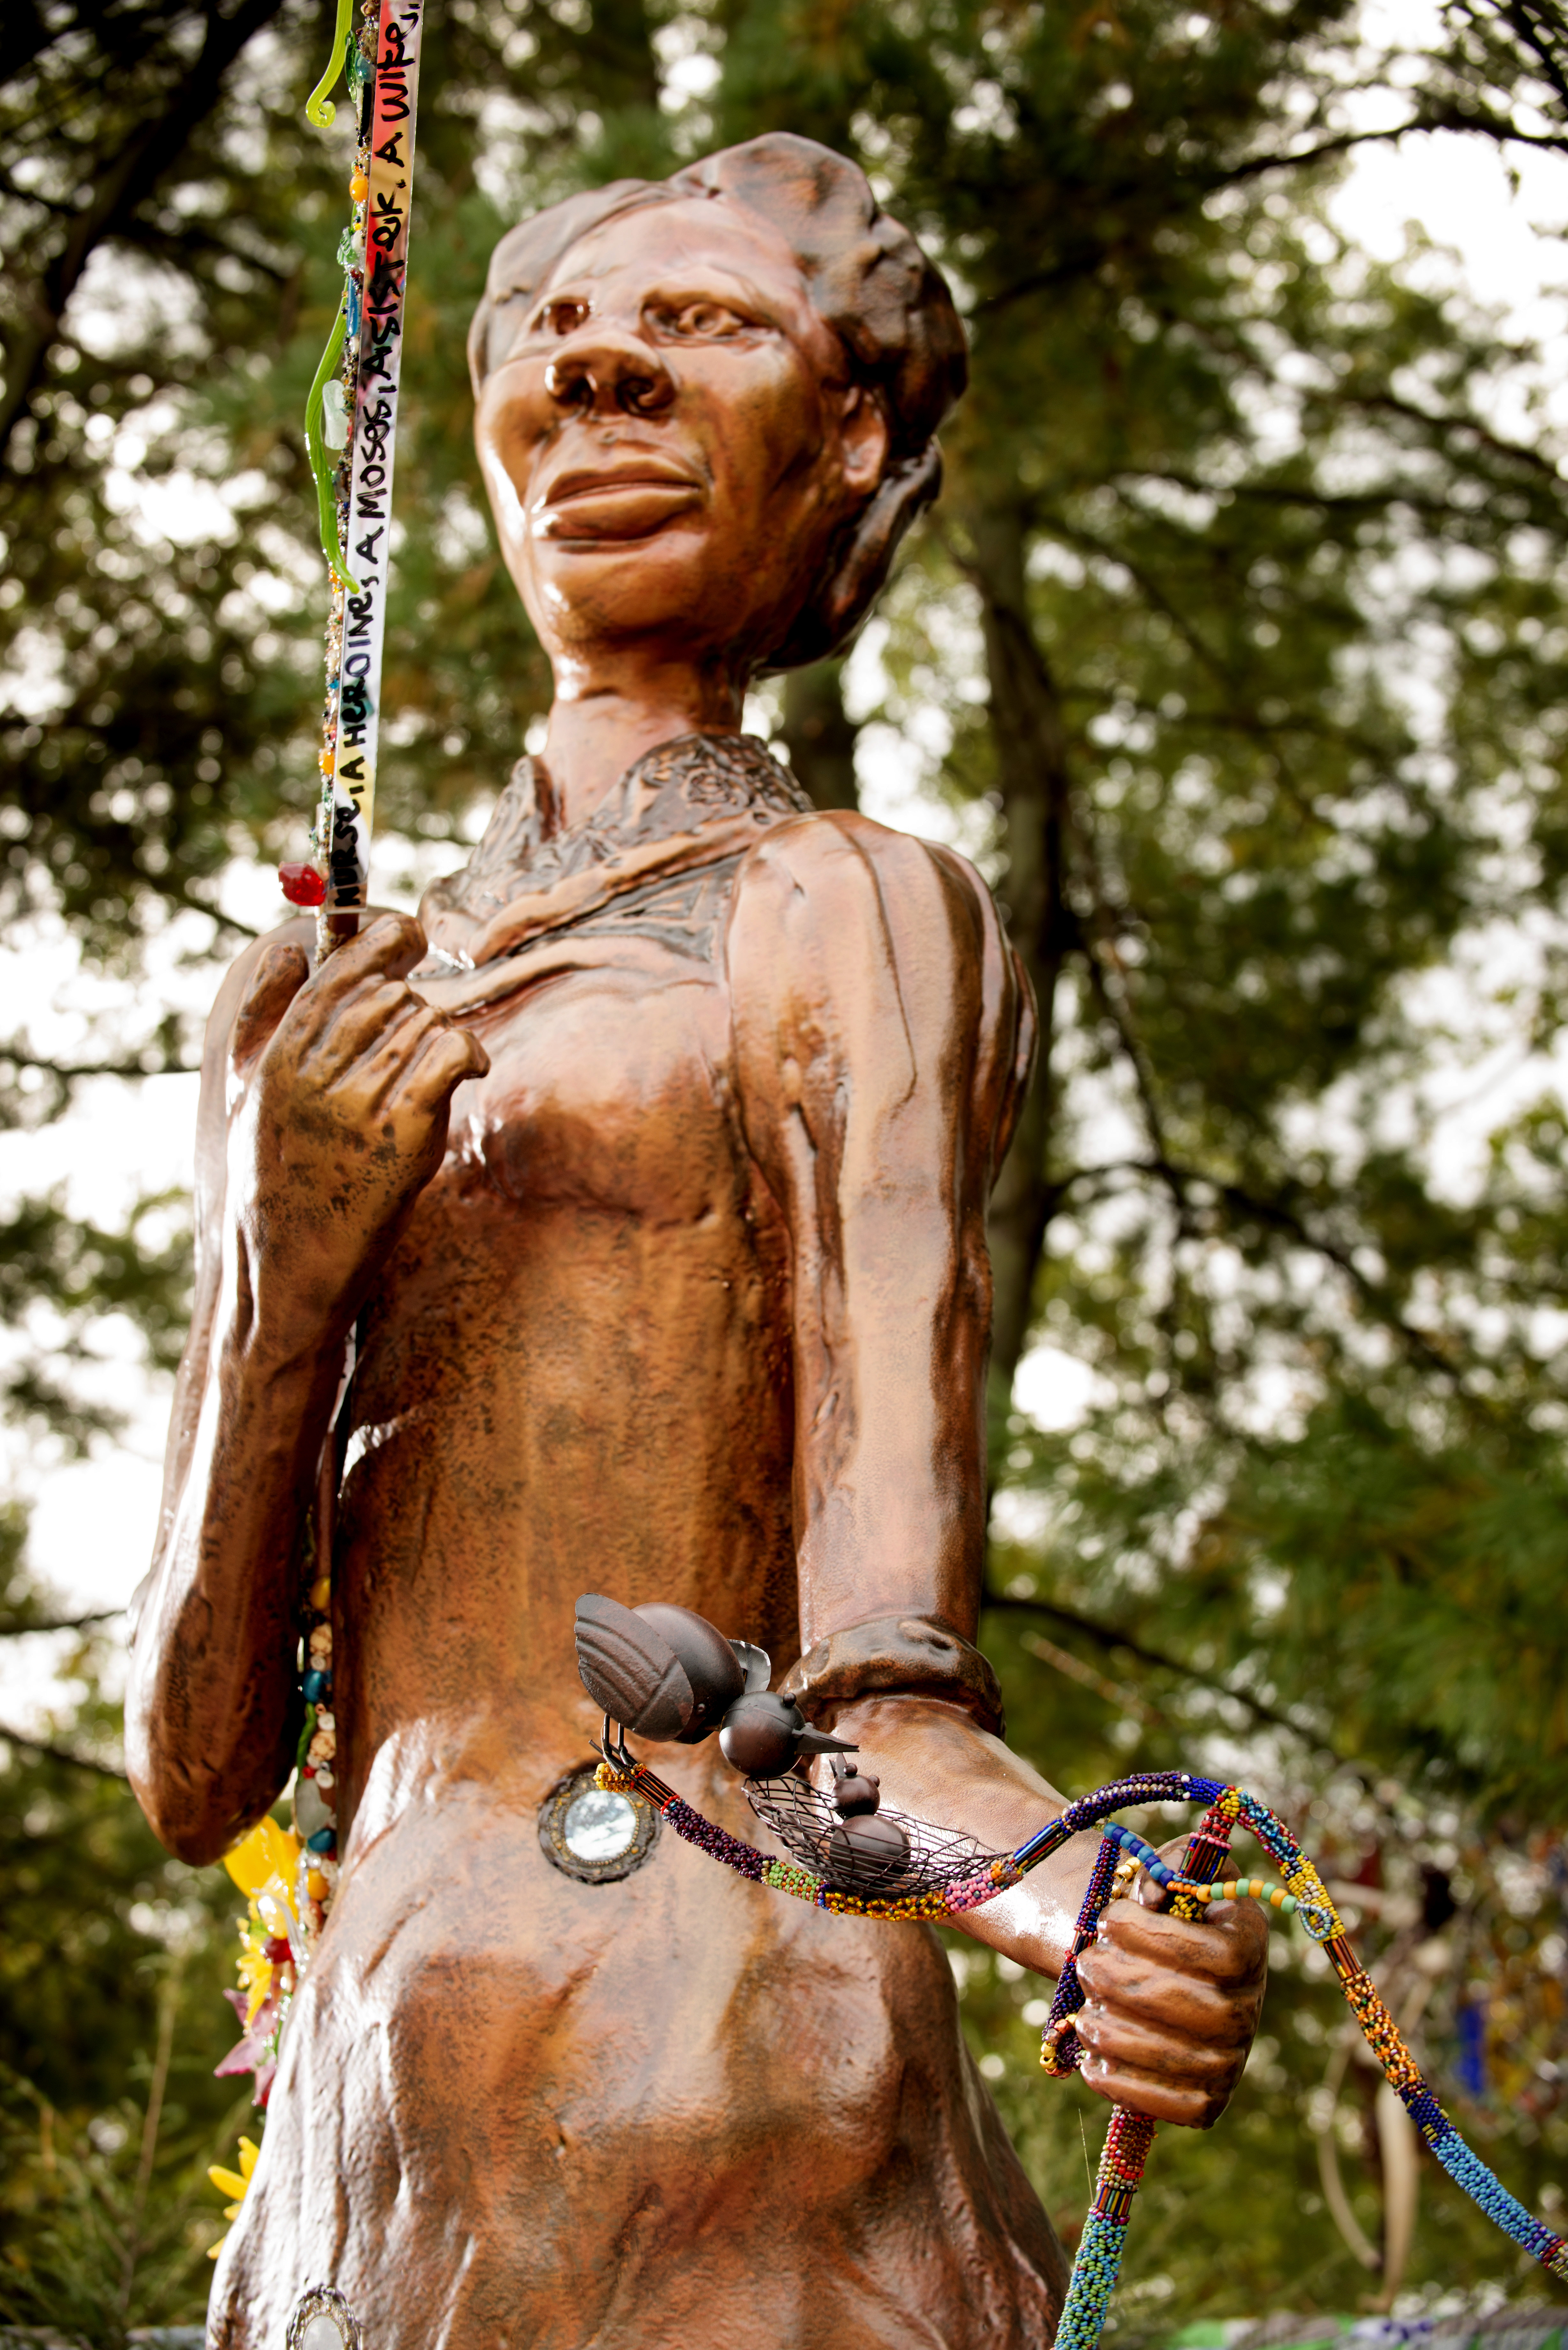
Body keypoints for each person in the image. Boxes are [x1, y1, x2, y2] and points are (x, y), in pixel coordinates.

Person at [127, 133, 1266, 2348]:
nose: (604, 371)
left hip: (741, 2089)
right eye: (553, 334)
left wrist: (1089, 1914)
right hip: (373, 2133)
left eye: (705, 327)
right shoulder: (307, 994)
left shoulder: (841, 907)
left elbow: (880, 1704)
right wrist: (279, 1281)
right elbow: (192, 1775)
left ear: (846, 437)